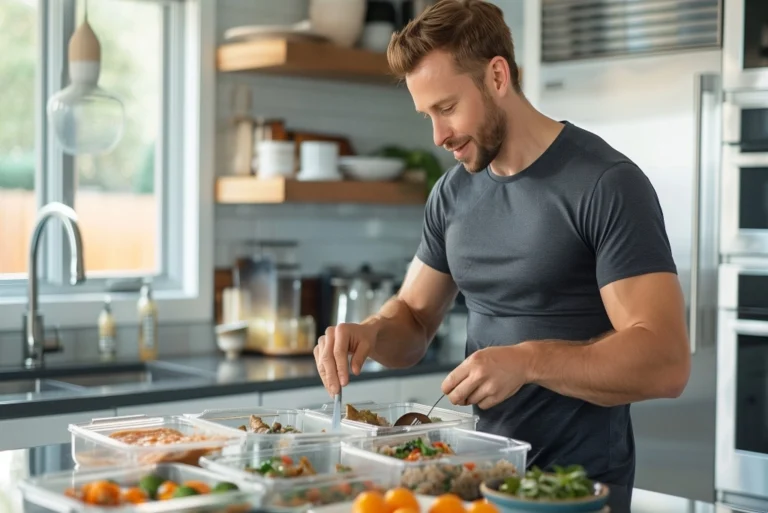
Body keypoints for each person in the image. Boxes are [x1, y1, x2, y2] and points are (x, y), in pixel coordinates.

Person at [312, 0, 690, 506]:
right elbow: (414, 325)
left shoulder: (605, 184)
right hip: (479, 481)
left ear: (496, 76)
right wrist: (370, 332)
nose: (438, 136)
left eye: (447, 108)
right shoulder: (453, 193)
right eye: (427, 115)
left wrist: (529, 360)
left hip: (574, 491)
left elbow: (666, 362)